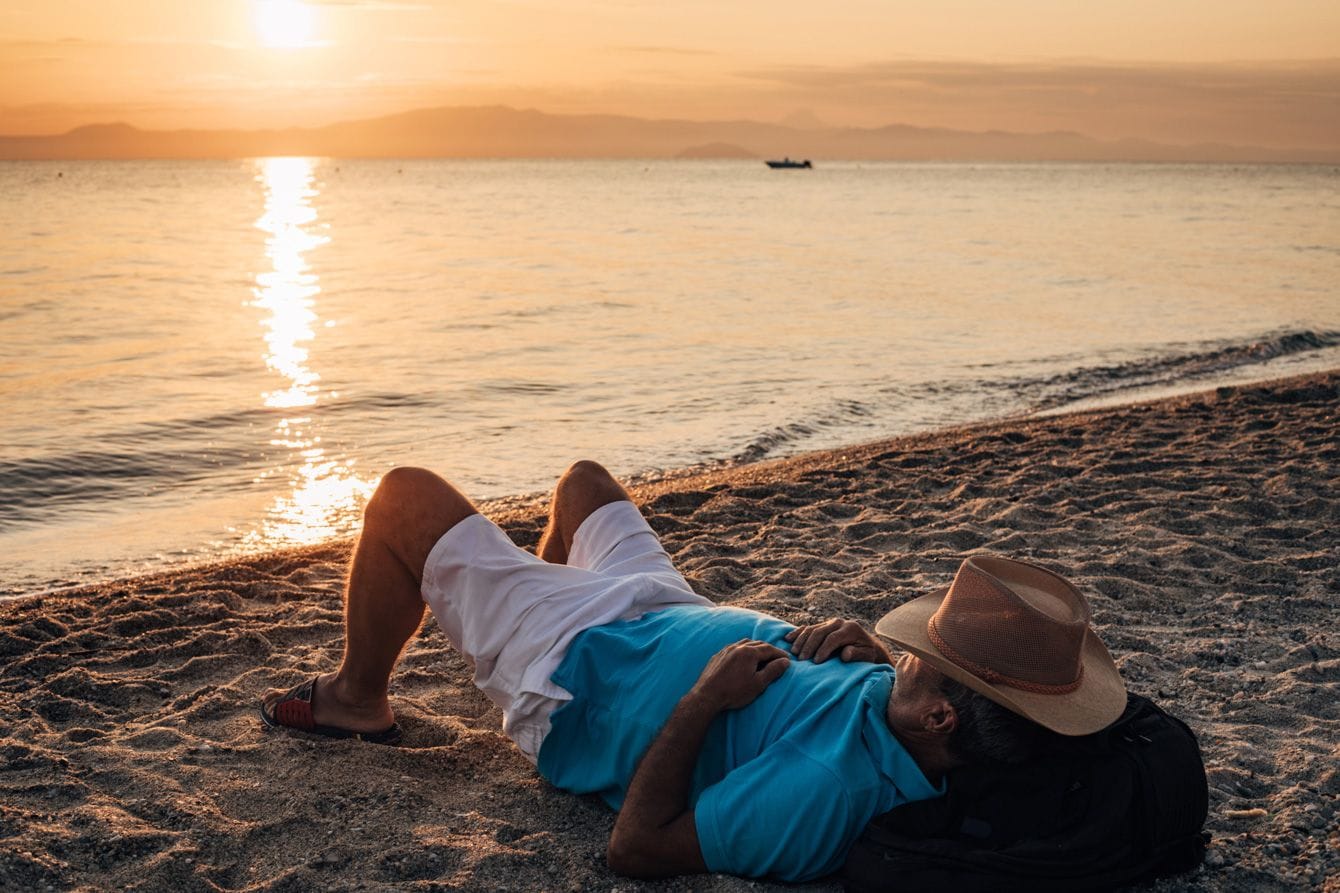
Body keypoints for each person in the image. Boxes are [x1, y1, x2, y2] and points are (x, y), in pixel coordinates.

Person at [260, 460, 1127, 882]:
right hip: (660, 610)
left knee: (404, 496)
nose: (905, 654)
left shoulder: (823, 788)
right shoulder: (918, 718)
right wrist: (860, 652)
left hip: (573, 674)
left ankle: (359, 698)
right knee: (585, 484)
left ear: (941, 715)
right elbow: (869, 694)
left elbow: (636, 849)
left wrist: (707, 698)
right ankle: (519, 594)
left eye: (920, 660)